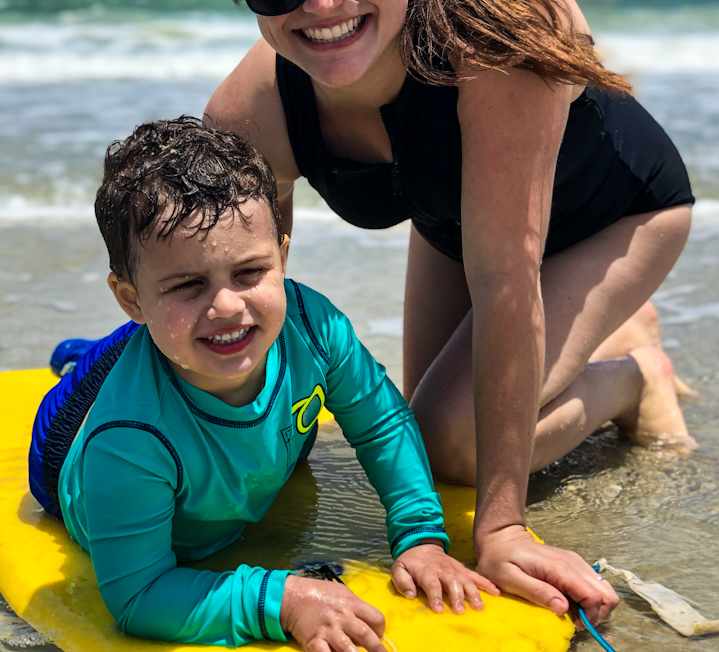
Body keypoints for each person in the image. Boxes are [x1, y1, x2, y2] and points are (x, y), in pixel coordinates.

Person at [204, 0, 697, 625]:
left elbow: (507, 279)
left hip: (617, 215)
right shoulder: (252, 115)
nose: (322, 5)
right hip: (453, 221)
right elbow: (250, 295)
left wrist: (502, 527)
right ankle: (599, 341)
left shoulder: (495, 28)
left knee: (452, 448)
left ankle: (629, 376)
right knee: (411, 435)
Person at [29, 117, 494, 650]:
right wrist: (281, 600)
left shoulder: (312, 326)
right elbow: (138, 597)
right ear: (131, 297)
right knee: (100, 368)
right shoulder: (128, 441)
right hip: (59, 448)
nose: (227, 305)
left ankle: (119, 338)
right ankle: (81, 358)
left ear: (282, 256)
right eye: (187, 283)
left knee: (176, 335)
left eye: (249, 272)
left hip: (172, 344)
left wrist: (419, 535)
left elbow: (383, 422)